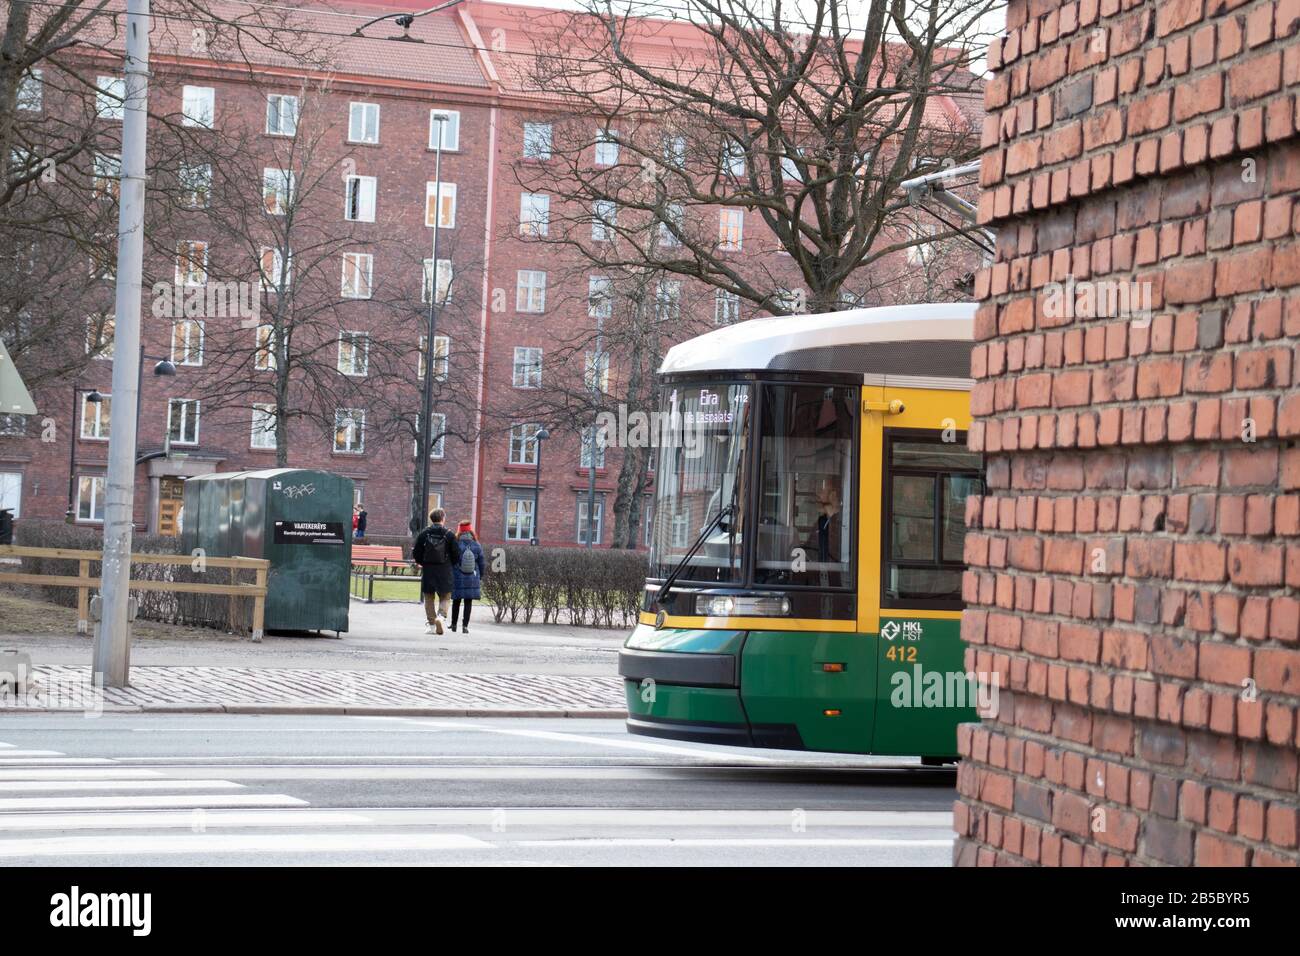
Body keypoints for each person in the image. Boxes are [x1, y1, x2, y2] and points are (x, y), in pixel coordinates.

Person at [412, 508, 460, 635]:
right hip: (444, 570)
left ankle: (432, 624)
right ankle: (441, 616)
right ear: (443, 518)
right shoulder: (449, 535)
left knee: (428, 598)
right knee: (445, 596)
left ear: (431, 519)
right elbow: (456, 555)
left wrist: (424, 562)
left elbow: (416, 552)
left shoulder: (424, 533)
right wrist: (450, 564)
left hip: (429, 570)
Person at [450, 520, 485, 633]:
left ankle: (454, 625)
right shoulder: (476, 545)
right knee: (468, 602)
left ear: (459, 531)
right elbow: (482, 562)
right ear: (471, 531)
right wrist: (480, 576)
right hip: (472, 577)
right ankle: (465, 626)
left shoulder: (455, 544)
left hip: (458, 576)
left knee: (456, 601)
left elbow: (451, 560)